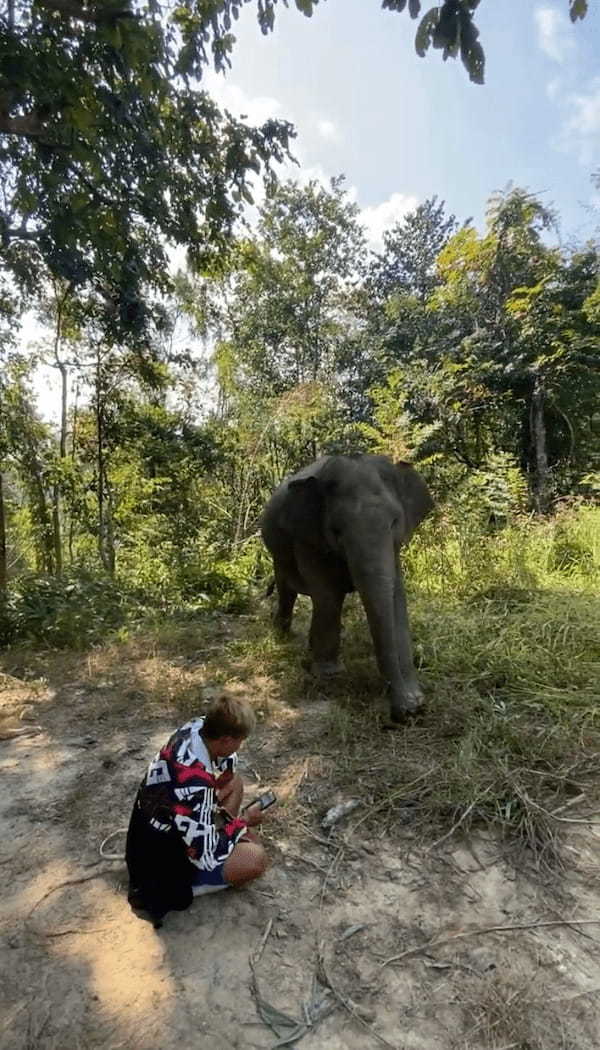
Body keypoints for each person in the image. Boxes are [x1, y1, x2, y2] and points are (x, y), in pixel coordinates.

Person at [125, 693, 270, 927]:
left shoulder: (195, 727)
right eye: (239, 740)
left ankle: (228, 834)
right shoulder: (195, 787)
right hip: (163, 865)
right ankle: (194, 886)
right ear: (225, 739)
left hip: (150, 835)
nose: (240, 746)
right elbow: (206, 853)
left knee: (235, 783)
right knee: (256, 859)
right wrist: (242, 823)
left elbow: (226, 770)